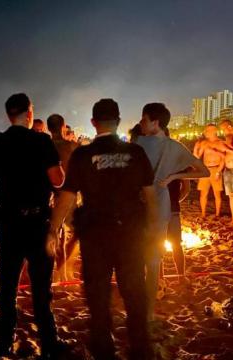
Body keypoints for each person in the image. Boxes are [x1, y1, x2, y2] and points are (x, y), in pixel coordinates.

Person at [48, 98, 157, 359]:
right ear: (118, 121)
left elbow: (68, 196)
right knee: (134, 293)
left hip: (95, 234)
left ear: (94, 123)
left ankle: (104, 349)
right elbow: (151, 196)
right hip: (130, 232)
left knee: (98, 296)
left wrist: (53, 229)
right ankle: (140, 348)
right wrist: (153, 230)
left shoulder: (83, 155)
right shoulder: (136, 153)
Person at [0, 93, 66, 358]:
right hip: (38, 221)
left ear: (9, 115)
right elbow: (58, 180)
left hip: (8, 222)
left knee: (7, 284)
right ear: (30, 113)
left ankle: (5, 339)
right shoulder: (42, 141)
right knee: (41, 286)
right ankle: (49, 341)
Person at [136, 103, 208, 320]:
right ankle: (148, 309)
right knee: (151, 257)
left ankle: (147, 307)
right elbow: (203, 171)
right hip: (159, 204)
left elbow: (205, 172)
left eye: (144, 119)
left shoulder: (138, 144)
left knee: (145, 256)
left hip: (144, 205)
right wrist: (174, 177)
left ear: (155, 123)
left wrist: (176, 177)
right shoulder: (171, 146)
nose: (141, 123)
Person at [46, 114, 80, 281]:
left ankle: (59, 270)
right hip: (68, 193)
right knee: (75, 232)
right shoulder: (72, 146)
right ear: (63, 126)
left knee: (55, 233)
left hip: (48, 193)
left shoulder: (45, 146)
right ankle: (63, 268)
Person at [193, 124, 225, 218]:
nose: (205, 132)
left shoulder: (220, 143)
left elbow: (223, 159)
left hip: (216, 169)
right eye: (205, 130)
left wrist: (218, 171)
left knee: (217, 194)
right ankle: (203, 213)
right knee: (203, 193)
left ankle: (217, 214)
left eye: (207, 130)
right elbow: (197, 156)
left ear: (213, 131)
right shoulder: (204, 143)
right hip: (205, 170)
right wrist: (195, 148)